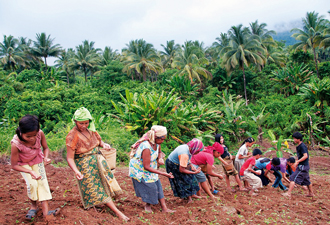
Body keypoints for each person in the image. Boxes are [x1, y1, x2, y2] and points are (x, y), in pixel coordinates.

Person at [66, 107, 129, 221]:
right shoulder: (72, 136)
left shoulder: (92, 130)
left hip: (98, 161)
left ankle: (104, 205)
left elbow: (99, 142)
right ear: (75, 121)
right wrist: (76, 171)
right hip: (85, 164)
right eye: (81, 123)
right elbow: (70, 158)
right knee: (96, 188)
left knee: (105, 184)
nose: (84, 125)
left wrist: (104, 145)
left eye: (86, 122)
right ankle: (117, 212)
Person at [10, 115, 60, 220]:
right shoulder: (16, 144)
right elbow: (14, 165)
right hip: (23, 164)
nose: (32, 138)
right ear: (21, 132)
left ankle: (46, 213)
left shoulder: (40, 134)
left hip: (37, 159)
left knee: (42, 183)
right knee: (32, 184)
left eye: (34, 135)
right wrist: (30, 172)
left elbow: (45, 148)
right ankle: (34, 206)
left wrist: (45, 158)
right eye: (28, 136)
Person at [129, 125, 175, 213]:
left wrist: (160, 158)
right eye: (161, 139)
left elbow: (160, 152)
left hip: (150, 165)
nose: (162, 141)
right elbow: (146, 166)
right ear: (155, 137)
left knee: (158, 185)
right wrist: (164, 173)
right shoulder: (146, 147)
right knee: (150, 187)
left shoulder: (157, 144)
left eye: (163, 139)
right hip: (140, 169)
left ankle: (164, 208)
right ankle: (147, 205)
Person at [166, 138, 204, 203]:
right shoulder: (184, 154)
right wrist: (194, 172)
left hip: (179, 162)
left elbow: (187, 159)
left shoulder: (189, 148)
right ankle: (188, 198)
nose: (198, 153)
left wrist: (191, 166)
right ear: (195, 149)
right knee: (182, 179)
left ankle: (192, 195)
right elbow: (182, 170)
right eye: (198, 151)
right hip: (173, 164)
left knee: (189, 178)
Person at [282, 132, 314, 198]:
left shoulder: (302, 146)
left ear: (298, 139)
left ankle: (288, 193)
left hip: (303, 166)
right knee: (307, 180)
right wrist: (297, 162)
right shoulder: (299, 146)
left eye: (294, 138)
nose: (293, 140)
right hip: (304, 166)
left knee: (292, 178)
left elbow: (305, 156)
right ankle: (311, 193)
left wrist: (297, 162)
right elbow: (301, 156)